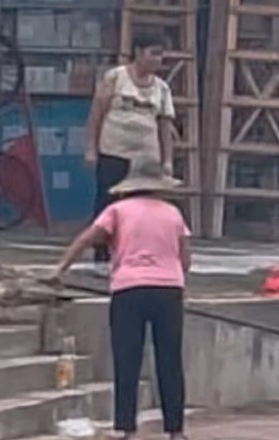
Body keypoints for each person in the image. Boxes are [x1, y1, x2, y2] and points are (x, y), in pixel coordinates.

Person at [54, 159, 191, 440]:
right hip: (168, 290)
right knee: (170, 360)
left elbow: (87, 239)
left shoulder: (117, 210)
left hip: (128, 289)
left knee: (127, 358)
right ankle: (176, 431)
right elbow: (185, 256)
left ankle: (125, 428)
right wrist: (178, 282)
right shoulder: (173, 213)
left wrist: (61, 268)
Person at [83, 32, 177, 268]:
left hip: (146, 157)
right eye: (153, 53)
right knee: (108, 202)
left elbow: (165, 126)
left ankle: (134, 252)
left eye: (161, 55)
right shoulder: (116, 78)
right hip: (114, 150)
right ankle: (101, 253)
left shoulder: (162, 89)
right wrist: (91, 149)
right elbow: (96, 114)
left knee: (143, 207)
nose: (158, 59)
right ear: (138, 52)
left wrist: (167, 161)